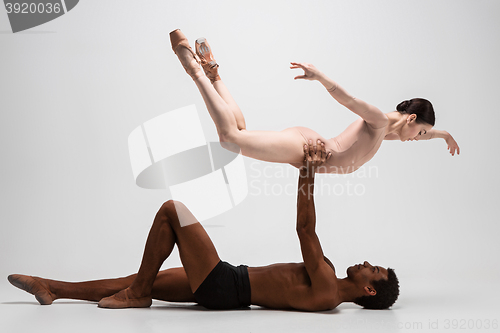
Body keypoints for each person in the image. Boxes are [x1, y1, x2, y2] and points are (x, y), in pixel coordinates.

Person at [8, 141, 399, 311]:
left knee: (171, 210)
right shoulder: (327, 281)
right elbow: (309, 235)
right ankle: (52, 289)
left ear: (368, 288)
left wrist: (308, 172)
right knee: (136, 278)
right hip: (226, 283)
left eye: (374, 269)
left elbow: (305, 230)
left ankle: (139, 294)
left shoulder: (329, 287)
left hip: (225, 286)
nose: (368, 262)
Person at [170, 29, 460, 174]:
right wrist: (320, 77)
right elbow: (348, 99)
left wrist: (443, 135)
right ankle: (195, 71)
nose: (418, 138)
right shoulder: (379, 121)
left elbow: (425, 135)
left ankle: (213, 72)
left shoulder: (388, 133)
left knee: (239, 130)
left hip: (309, 150)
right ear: (411, 118)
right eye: (420, 131)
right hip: (309, 148)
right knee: (230, 138)